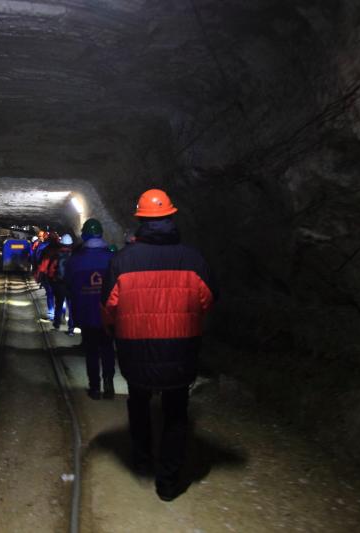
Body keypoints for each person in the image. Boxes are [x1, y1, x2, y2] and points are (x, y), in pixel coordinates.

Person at [101, 189, 217, 502]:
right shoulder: (193, 258)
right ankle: (167, 483)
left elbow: (110, 307)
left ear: (141, 220)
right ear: (171, 217)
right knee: (176, 414)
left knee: (138, 403)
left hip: (135, 349)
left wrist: (116, 329)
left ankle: (141, 460)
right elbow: (207, 301)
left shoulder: (123, 260)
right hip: (181, 349)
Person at [65, 218, 115, 399]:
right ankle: (109, 384)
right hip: (108, 315)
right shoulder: (112, 258)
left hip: (86, 313)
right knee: (108, 348)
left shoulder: (75, 261)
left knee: (92, 351)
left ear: (84, 235)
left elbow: (69, 285)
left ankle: (94, 387)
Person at [46, 233, 74, 335]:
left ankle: (57, 324)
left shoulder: (56, 255)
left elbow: (51, 270)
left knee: (59, 304)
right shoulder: (74, 255)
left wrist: (52, 281)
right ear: (71, 244)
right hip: (71, 285)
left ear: (61, 244)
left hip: (60, 284)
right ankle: (71, 328)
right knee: (71, 306)